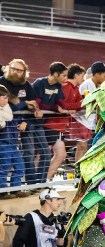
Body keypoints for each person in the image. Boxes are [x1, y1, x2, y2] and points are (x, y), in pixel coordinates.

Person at [0, 59, 46, 187]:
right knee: (3, 166)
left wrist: (31, 112)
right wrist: (24, 103)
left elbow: (34, 104)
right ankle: (2, 191)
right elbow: (8, 107)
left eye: (19, 70)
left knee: (26, 157)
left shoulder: (26, 85)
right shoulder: (2, 83)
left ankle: (20, 188)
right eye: (13, 68)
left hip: (22, 125)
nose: (15, 72)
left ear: (24, 72)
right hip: (4, 132)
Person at [32, 62, 68, 182]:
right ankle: (33, 181)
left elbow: (61, 102)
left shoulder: (58, 86)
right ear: (56, 74)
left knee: (44, 153)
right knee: (36, 152)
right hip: (32, 122)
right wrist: (55, 108)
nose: (65, 78)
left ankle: (40, 181)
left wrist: (65, 108)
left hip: (43, 123)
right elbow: (38, 104)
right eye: (63, 75)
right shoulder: (39, 83)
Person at [0, 84, 26, 198]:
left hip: (13, 143)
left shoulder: (9, 110)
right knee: (4, 168)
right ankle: (3, 191)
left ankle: (16, 189)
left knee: (20, 166)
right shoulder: (10, 108)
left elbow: (20, 117)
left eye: (7, 98)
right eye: (4, 98)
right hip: (3, 143)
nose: (7, 100)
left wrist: (24, 122)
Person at [60, 64, 90, 162]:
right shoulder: (66, 86)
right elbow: (62, 104)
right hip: (59, 122)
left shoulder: (75, 88)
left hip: (65, 122)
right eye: (82, 76)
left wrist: (78, 105)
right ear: (76, 75)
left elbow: (80, 104)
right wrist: (78, 105)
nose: (83, 79)